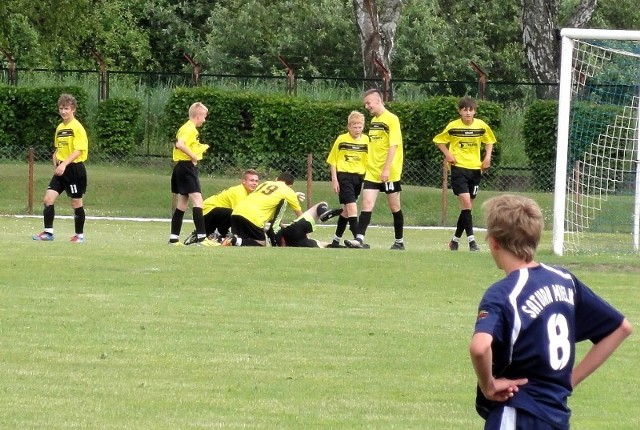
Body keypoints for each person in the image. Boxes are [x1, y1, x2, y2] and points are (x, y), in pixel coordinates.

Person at [470, 194, 632, 430]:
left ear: (494, 241)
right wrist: (568, 381)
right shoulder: (564, 280)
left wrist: (488, 386)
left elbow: (480, 346)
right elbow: (620, 327)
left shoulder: (503, 293)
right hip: (556, 415)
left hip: (518, 412)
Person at [433, 96, 496, 252]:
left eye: (471, 110)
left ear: (475, 111)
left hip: (475, 169)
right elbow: (439, 140)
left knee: (466, 208)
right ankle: (472, 242)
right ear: (460, 111)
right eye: (465, 110)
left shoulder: (481, 125)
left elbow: (490, 140)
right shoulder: (453, 126)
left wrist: (487, 157)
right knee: (466, 203)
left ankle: (454, 241)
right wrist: (447, 154)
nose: (468, 113)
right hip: (458, 168)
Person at [345, 89, 405, 250]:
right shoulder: (373, 121)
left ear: (378, 101)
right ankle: (359, 239)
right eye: (365, 103)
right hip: (373, 172)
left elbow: (394, 145)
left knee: (394, 206)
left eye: (368, 103)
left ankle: (399, 241)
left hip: (389, 172)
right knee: (367, 203)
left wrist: (386, 169)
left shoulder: (392, 119)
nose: (366, 106)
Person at [32, 93, 89, 243]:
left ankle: (79, 235)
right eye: (61, 108)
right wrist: (56, 161)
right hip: (61, 169)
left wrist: (64, 164)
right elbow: (58, 149)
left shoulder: (77, 128)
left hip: (74, 169)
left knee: (76, 203)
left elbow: (78, 151)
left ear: (73, 109)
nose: (64, 111)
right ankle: (48, 232)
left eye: (67, 108)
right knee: (48, 199)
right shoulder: (60, 127)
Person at [168, 102, 216, 246]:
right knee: (198, 200)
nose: (204, 120)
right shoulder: (189, 129)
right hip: (186, 167)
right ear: (197, 116)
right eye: (204, 117)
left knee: (182, 204)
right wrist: (193, 156)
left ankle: (173, 239)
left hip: (181, 168)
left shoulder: (188, 128)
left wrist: (199, 149)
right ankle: (202, 238)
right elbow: (180, 144)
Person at [223, 172, 304, 247]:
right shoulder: (289, 192)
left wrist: (279, 223)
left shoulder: (266, 183)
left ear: (276, 179)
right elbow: (301, 217)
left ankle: (227, 239)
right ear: (291, 185)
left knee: (244, 241)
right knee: (261, 243)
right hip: (253, 218)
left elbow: (266, 203)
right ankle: (234, 240)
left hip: (236, 212)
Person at [326, 111, 369, 248]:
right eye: (355, 127)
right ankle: (358, 239)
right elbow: (333, 160)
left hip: (359, 177)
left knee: (346, 211)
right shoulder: (341, 139)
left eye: (360, 126)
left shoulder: (366, 140)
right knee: (352, 208)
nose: (357, 129)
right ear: (349, 127)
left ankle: (335, 240)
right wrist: (334, 179)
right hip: (344, 176)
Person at [183, 169, 260, 245]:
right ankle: (213, 234)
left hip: (213, 215)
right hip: (205, 213)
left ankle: (211, 235)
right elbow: (240, 216)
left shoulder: (249, 194)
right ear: (243, 181)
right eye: (251, 180)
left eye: (256, 181)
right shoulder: (239, 192)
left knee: (231, 214)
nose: (254, 183)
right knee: (233, 214)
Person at [274, 202, 343, 248]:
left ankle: (344, 248)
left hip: (294, 243)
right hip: (290, 232)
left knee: (321, 245)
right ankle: (323, 212)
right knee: (322, 204)